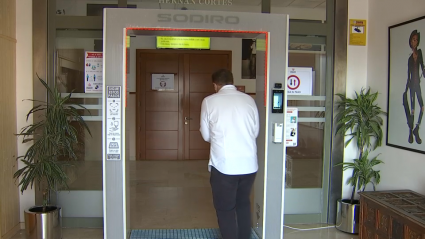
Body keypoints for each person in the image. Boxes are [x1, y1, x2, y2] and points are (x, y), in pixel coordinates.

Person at [200, 69, 259, 239]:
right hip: (249, 165)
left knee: (225, 209)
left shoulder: (209, 101)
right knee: (243, 204)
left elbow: (205, 135)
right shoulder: (249, 100)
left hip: (224, 165)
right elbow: (254, 132)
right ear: (232, 82)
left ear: (215, 85)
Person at [405, 30, 425, 144]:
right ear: (410, 42)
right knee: (412, 109)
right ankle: (410, 131)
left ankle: (417, 128)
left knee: (422, 107)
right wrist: (406, 89)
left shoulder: (420, 53)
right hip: (412, 85)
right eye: (413, 39)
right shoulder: (409, 59)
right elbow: (408, 75)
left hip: (417, 85)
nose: (415, 41)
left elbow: (422, 66)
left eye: (416, 39)